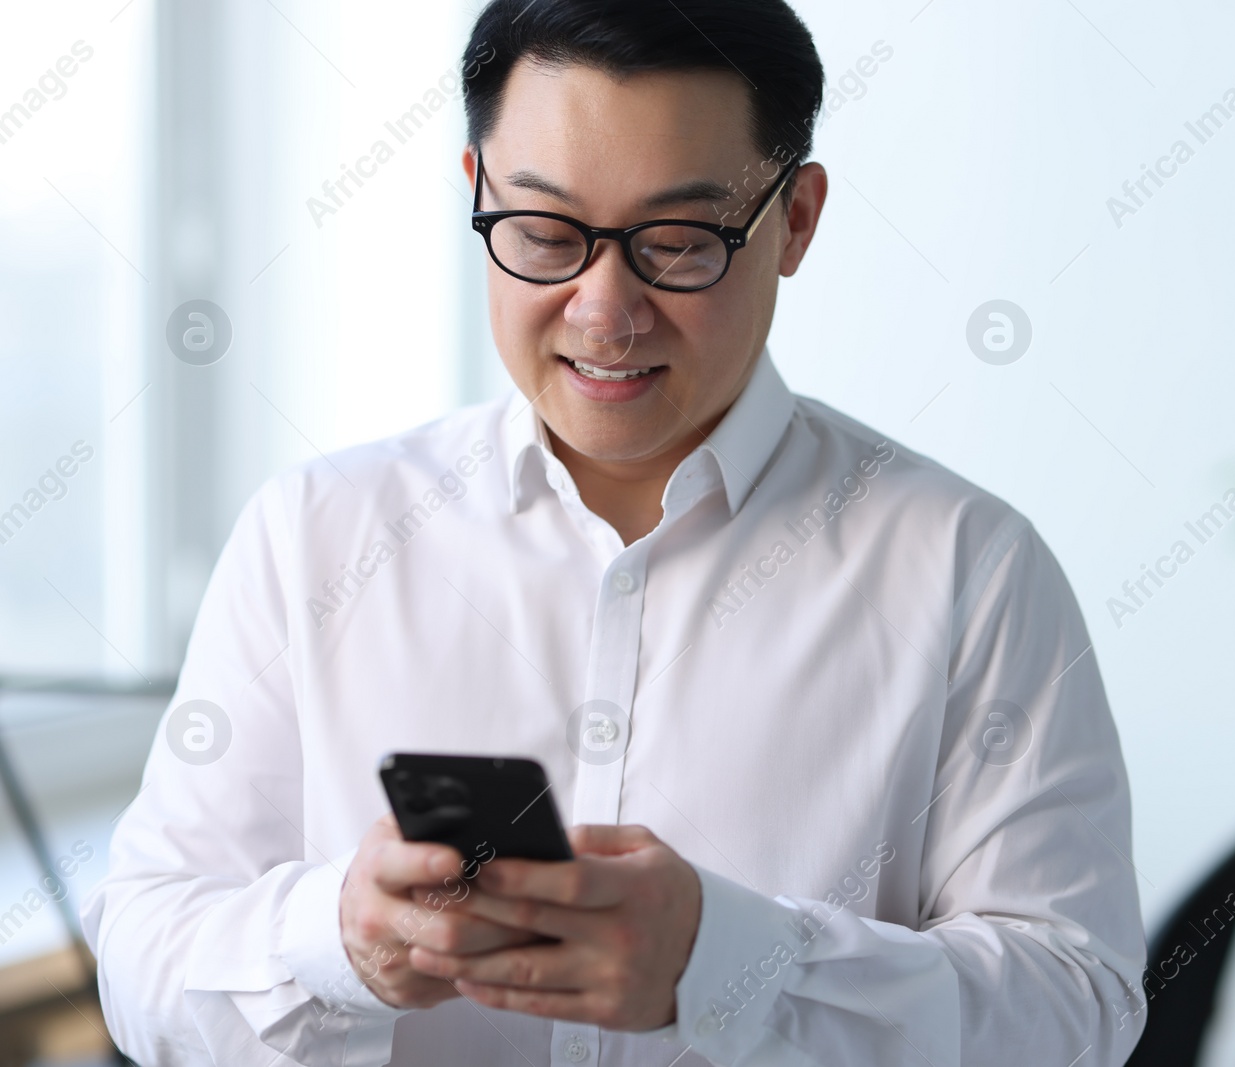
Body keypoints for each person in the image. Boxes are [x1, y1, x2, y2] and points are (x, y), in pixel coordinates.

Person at [81, 1, 1147, 1063]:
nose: (603, 310)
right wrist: (333, 943)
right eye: (543, 234)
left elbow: (1077, 1007)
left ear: (797, 221)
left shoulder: (969, 570)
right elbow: (142, 954)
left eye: (678, 242)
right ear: (475, 195)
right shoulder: (312, 536)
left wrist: (730, 963)